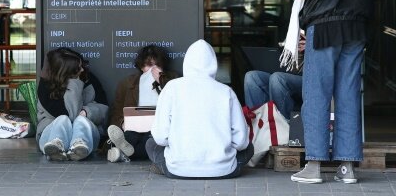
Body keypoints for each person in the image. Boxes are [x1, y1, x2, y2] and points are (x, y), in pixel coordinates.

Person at [279, 0, 392, 184]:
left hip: (326, 27)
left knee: (316, 94)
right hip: (355, 29)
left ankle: (314, 165)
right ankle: (347, 168)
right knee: (347, 95)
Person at [146, 39, 253, 178]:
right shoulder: (226, 91)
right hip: (223, 170)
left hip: (178, 169)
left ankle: (164, 165)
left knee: (150, 143)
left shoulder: (172, 87)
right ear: (214, 63)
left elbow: (160, 138)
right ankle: (217, 166)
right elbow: (241, 141)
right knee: (250, 147)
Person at [106, 45, 178, 162]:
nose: (153, 70)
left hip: (157, 128)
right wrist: (123, 123)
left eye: (157, 65)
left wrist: (161, 81)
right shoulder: (127, 83)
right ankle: (122, 150)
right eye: (149, 65)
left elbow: (178, 102)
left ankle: (120, 153)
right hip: (134, 128)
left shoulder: (173, 80)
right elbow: (117, 111)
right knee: (130, 136)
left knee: (150, 141)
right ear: (141, 66)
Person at [37, 48, 109, 161]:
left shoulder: (89, 78)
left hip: (87, 134)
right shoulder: (46, 86)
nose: (82, 70)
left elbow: (104, 107)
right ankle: (56, 145)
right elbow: (71, 114)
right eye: (77, 68)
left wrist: (87, 112)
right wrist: (74, 83)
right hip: (50, 134)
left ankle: (79, 146)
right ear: (65, 72)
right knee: (63, 119)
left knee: (81, 120)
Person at [243, 32, 305, 120]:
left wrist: (310, 47)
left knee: (277, 79)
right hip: (292, 72)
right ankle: (257, 125)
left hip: (310, 78)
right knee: (251, 77)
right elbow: (293, 68)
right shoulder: (297, 27)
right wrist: (297, 52)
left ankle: (280, 126)